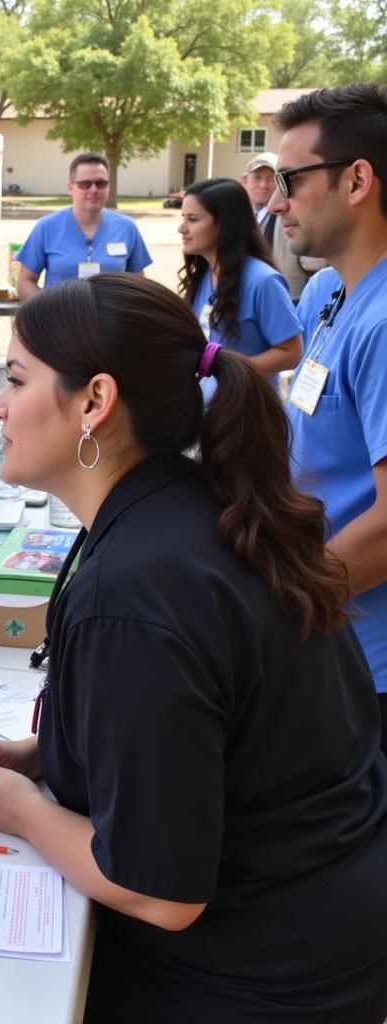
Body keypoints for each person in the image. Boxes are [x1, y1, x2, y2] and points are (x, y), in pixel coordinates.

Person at [0, 273, 387, 1022]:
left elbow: (162, 891)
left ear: (95, 402)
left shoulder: (135, 594)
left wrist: (24, 811)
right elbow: (225, 731)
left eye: (16, 380)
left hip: (257, 974)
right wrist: (54, 751)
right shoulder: (198, 508)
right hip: (321, 920)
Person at [268, 84, 387, 750]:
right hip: (327, 635)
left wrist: (276, 611)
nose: (277, 199)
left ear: (358, 179)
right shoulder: (325, 292)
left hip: (365, 665)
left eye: (293, 179)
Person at [178, 177, 302, 376]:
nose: (181, 229)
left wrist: (230, 371)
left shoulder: (264, 281)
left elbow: (292, 353)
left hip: (247, 404)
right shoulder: (204, 275)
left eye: (192, 219)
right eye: (182, 218)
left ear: (225, 224)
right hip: (209, 403)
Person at [15, 152, 151, 300]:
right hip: (62, 321)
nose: (93, 190)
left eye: (100, 183)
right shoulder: (46, 227)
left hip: (112, 321)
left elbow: (139, 283)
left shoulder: (127, 228)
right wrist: (49, 310)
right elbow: (25, 282)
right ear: (70, 187)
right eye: (85, 184)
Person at [242, 151, 326, 300]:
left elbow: (315, 264)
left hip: (291, 299)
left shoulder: (294, 217)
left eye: (271, 179)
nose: (263, 185)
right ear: (245, 180)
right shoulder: (241, 218)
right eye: (257, 178)